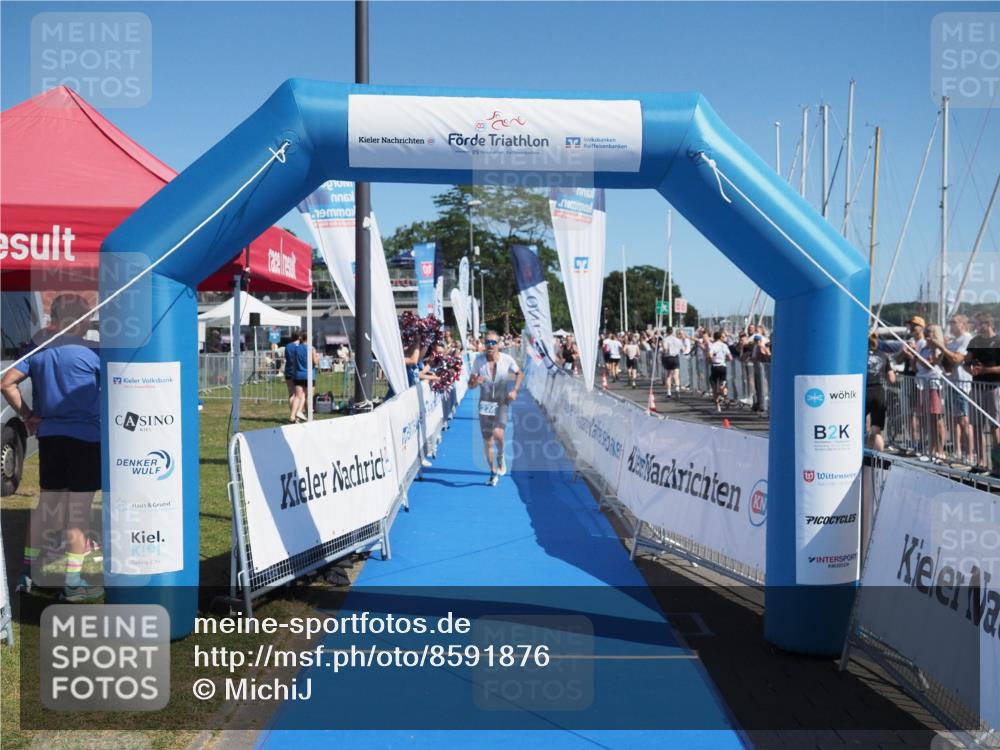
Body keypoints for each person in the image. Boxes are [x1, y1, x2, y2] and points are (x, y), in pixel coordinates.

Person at [1, 294, 102, 602]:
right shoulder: (96, 353)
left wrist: (28, 416)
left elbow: (6, 383)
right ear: (80, 320)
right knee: (77, 514)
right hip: (86, 440)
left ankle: (28, 574)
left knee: (47, 507)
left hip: (51, 439)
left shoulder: (39, 350)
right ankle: (72, 583)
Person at [468, 331, 523, 486]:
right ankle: (493, 472)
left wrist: (515, 390)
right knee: (487, 441)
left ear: (498, 344)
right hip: (485, 404)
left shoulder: (507, 359)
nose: (490, 345)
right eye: (487, 342)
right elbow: (470, 385)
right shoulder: (478, 361)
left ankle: (501, 455)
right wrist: (475, 382)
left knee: (498, 434)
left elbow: (520, 374)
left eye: (493, 342)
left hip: (502, 402)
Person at [935, 315, 975, 466]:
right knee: (953, 420)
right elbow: (940, 362)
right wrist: (939, 348)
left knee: (964, 420)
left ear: (963, 324)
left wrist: (942, 347)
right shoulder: (953, 341)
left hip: (962, 385)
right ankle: (957, 451)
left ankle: (970, 454)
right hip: (951, 383)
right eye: (950, 322)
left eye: (954, 323)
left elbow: (957, 359)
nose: (951, 325)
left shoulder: (966, 338)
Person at [966, 313, 1000, 473]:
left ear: (988, 323)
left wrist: (984, 370)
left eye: (978, 323)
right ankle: (981, 462)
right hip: (977, 388)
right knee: (977, 425)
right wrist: (970, 369)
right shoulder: (975, 341)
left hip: (994, 388)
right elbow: (966, 362)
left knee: (995, 426)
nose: (976, 326)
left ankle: (997, 464)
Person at [865, 334, 896, 451]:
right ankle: (879, 459)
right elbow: (892, 379)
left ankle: (866, 457)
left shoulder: (861, 354)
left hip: (864, 392)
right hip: (878, 392)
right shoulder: (883, 355)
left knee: (860, 427)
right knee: (876, 430)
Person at [707, 330, 732, 412]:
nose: (725, 338)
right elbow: (730, 357)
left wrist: (711, 360)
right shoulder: (725, 346)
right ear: (720, 337)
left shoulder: (713, 345)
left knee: (714, 387)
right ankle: (724, 396)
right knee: (722, 385)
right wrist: (726, 359)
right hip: (723, 366)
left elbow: (710, 355)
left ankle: (718, 407)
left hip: (715, 366)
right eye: (724, 337)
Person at [660, 327, 685, 396]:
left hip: (668, 358)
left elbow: (665, 348)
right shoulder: (677, 340)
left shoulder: (665, 340)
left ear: (667, 332)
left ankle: (669, 392)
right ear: (672, 332)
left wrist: (663, 351)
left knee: (668, 375)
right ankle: (677, 389)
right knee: (676, 374)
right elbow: (683, 349)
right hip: (676, 357)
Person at [284, 333, 302, 423]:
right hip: (296, 371)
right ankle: (295, 415)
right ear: (299, 337)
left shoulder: (287, 346)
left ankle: (292, 414)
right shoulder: (299, 346)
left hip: (288, 371)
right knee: (298, 396)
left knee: (291, 394)